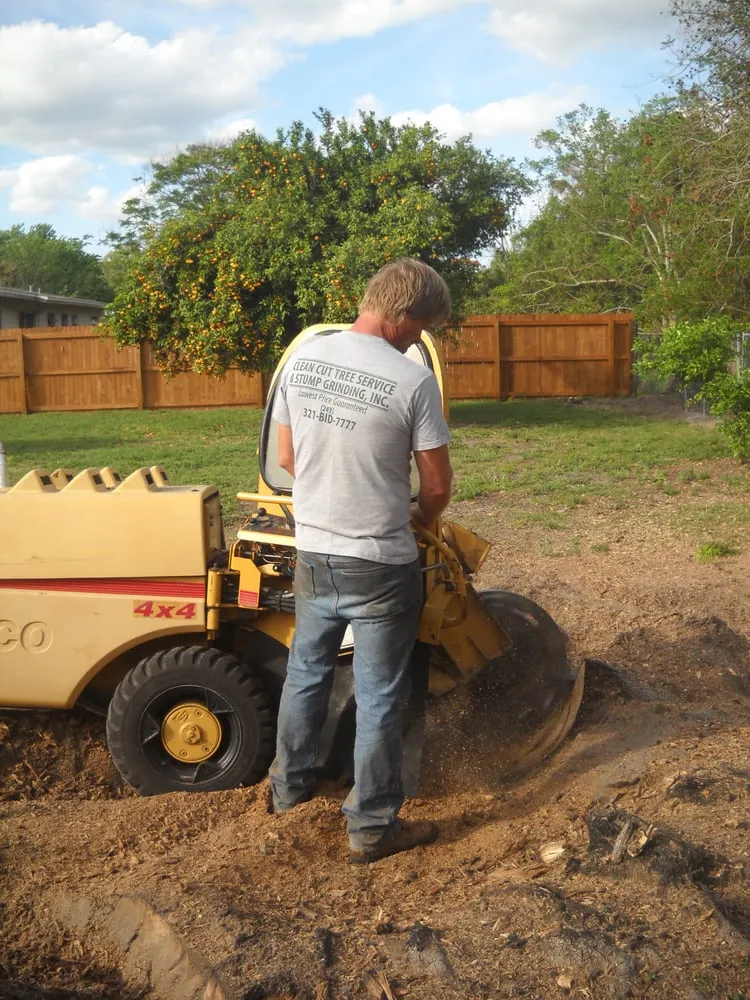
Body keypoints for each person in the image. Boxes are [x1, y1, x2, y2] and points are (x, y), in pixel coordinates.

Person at [268, 258, 454, 864]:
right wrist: (418, 515)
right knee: (380, 694)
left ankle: (288, 794)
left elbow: (288, 458)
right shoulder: (413, 382)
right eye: (421, 326)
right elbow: (436, 487)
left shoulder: (302, 361)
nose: (417, 337)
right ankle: (371, 826)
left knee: (306, 673)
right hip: (379, 563)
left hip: (313, 552)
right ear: (404, 314)